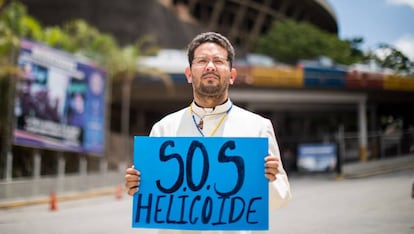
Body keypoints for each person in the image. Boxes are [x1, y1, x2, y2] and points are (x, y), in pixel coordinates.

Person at [125, 32, 291, 233]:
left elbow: (280, 199)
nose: (210, 66)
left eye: (218, 61)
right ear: (188, 74)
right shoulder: (164, 129)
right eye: (202, 60)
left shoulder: (258, 127)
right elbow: (154, 197)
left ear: (232, 75)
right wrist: (138, 185)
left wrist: (270, 180)